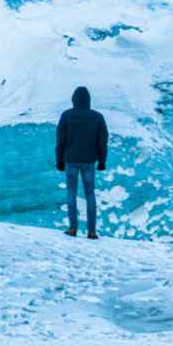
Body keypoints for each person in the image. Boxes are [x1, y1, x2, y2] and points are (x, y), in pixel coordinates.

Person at [55, 86, 108, 239]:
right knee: (90, 194)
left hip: (71, 160)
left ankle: (73, 228)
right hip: (89, 161)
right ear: (88, 100)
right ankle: (92, 231)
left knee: (71, 193)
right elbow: (102, 141)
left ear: (74, 100)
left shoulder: (66, 115)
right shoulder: (98, 117)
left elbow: (60, 141)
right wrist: (102, 161)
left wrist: (59, 161)